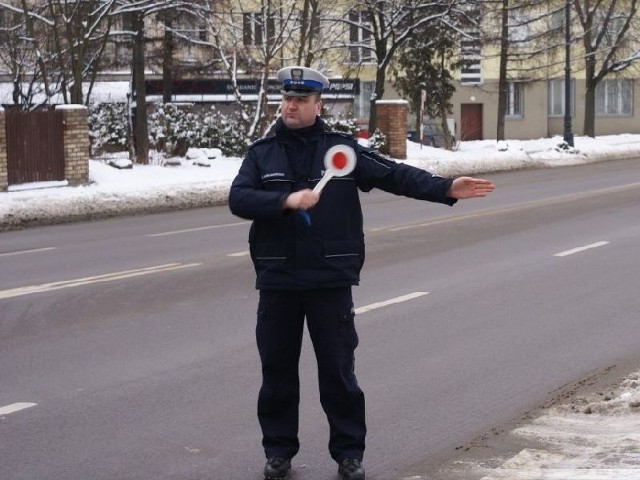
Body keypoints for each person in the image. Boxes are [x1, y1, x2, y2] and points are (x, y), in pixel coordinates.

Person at [228, 66, 495, 480]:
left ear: (319, 105)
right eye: (287, 99)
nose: (291, 106)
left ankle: (349, 454)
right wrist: (286, 200)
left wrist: (443, 188)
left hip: (329, 280)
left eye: (301, 100)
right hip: (278, 280)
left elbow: (392, 174)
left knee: (338, 372)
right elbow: (239, 198)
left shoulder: (342, 151)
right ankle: (279, 450)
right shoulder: (262, 153)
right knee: (277, 373)